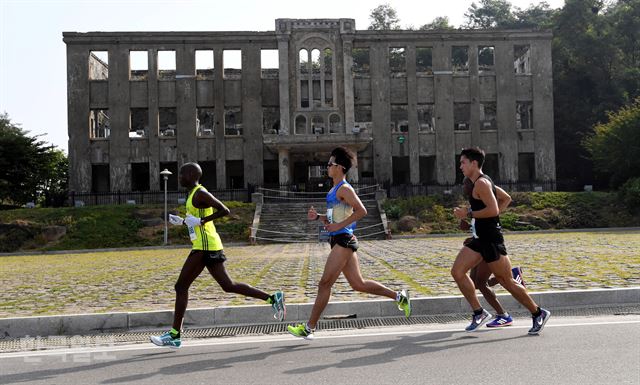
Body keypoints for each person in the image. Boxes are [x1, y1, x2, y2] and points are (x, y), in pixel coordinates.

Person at [151, 163, 285, 349]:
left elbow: (224, 210)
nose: (179, 177)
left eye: (181, 173)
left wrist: (201, 220)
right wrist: (182, 221)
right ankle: (272, 298)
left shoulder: (200, 192)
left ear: (190, 175)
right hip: (206, 244)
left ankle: (174, 335)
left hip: (205, 246)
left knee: (181, 286)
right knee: (228, 286)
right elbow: (197, 222)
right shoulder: (192, 194)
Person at [288, 147, 411, 340]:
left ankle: (309, 327)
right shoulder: (333, 190)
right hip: (338, 238)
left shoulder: (345, 188)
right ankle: (399, 296)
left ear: (341, 167)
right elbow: (335, 216)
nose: (327, 167)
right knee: (358, 284)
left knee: (324, 283)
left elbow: (361, 211)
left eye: (330, 164)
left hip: (344, 240)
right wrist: (319, 217)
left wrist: (339, 225)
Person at [451, 147, 550, 335]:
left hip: (491, 240)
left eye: (463, 162)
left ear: (474, 163)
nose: (460, 166)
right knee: (457, 272)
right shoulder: (477, 183)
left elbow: (493, 210)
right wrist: (476, 221)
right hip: (479, 240)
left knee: (507, 281)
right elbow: (500, 203)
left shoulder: (482, 183)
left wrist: (470, 214)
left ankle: (538, 313)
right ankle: (479, 312)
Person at [461, 177, 526, 328]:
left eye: (464, 184)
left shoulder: (483, 187)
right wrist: (468, 227)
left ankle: (503, 315)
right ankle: (512, 274)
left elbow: (506, 198)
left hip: (487, 243)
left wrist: (494, 213)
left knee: (480, 283)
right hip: (478, 243)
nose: (462, 187)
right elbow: (476, 224)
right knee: (478, 282)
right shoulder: (473, 199)